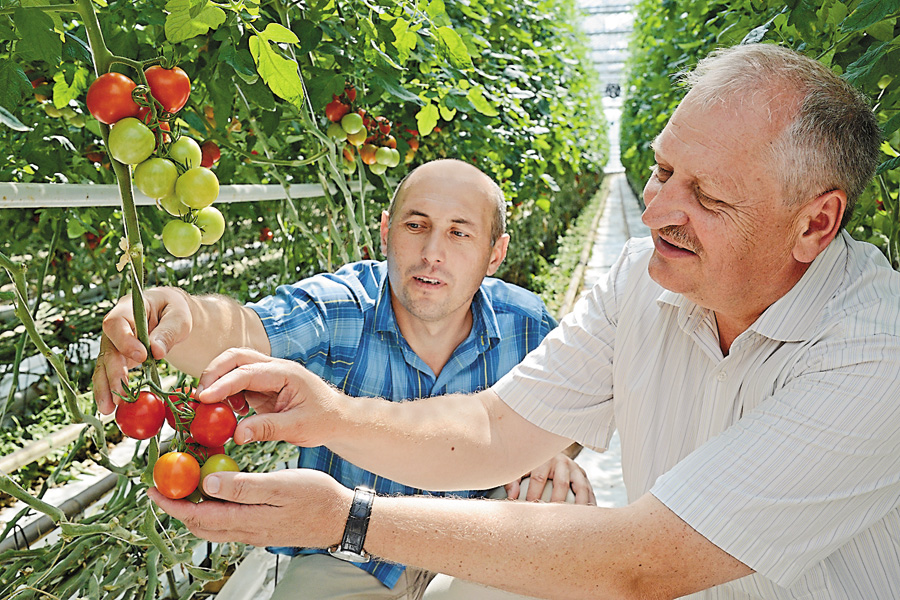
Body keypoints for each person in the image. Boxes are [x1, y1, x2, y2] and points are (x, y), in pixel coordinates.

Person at [147, 43, 899, 599]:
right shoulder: (643, 283)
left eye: (709, 196)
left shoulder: (876, 354)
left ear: (815, 224)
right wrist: (332, 415)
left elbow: (642, 560)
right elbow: (495, 432)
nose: (661, 210)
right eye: (665, 170)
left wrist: (348, 520)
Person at [93, 158, 595, 600]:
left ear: (495, 252)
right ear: (385, 231)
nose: (432, 252)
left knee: (563, 509)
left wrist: (552, 450)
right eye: (415, 225)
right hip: (352, 550)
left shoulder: (526, 324)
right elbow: (248, 330)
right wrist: (178, 313)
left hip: (477, 538)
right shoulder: (342, 308)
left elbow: (568, 416)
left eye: (460, 232)